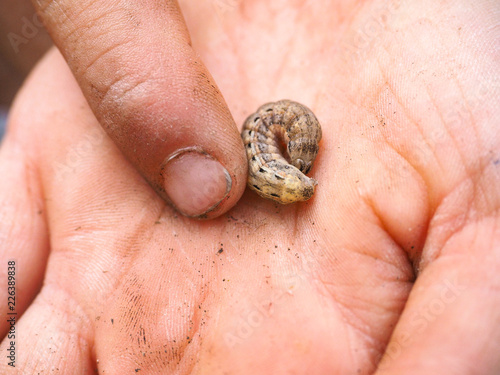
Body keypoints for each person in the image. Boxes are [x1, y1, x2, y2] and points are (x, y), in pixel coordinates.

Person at [0, 0, 499, 373]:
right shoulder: (271, 142)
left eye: (299, 169)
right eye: (298, 169)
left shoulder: (286, 137)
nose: (305, 173)